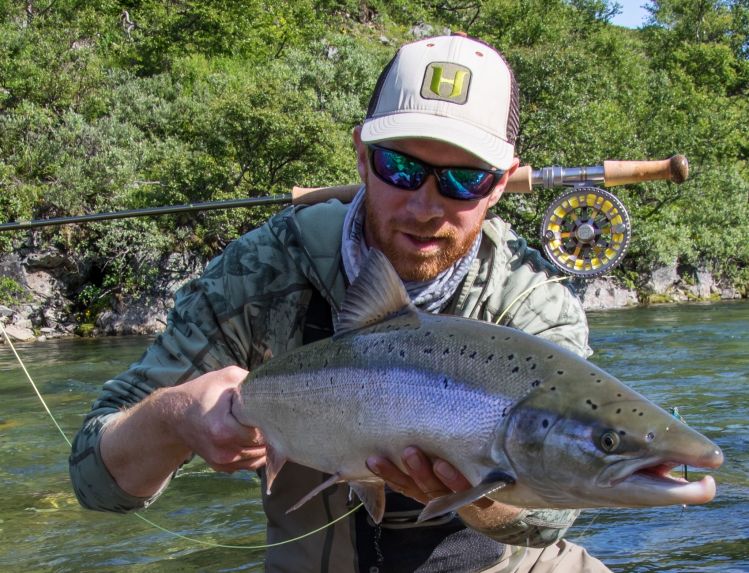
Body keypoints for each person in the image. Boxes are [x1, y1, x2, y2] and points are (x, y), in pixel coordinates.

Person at [70, 33, 612, 572]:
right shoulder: (263, 272)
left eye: (464, 180)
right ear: (361, 153)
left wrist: (477, 490)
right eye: (400, 168)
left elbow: (548, 521)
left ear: (498, 185)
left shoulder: (531, 299)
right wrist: (173, 417)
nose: (425, 207)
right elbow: (96, 480)